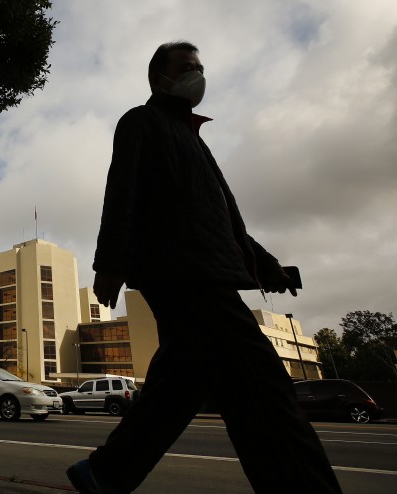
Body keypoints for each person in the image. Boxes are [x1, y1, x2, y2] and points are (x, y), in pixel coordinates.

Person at [66, 41, 343, 494]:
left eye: (200, 67)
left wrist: (267, 265)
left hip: (207, 273)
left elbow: (225, 223)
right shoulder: (142, 121)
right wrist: (110, 263)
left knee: (181, 383)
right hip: (181, 275)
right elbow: (122, 190)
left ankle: (107, 472)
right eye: (186, 67)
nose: (197, 74)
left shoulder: (195, 141)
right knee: (264, 391)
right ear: (161, 79)